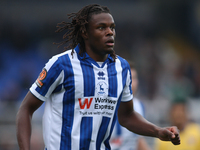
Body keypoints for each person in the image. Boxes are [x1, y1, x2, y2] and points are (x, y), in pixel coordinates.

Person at [16, 4, 180, 150]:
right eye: (101, 27)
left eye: (112, 27)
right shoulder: (61, 64)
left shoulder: (121, 68)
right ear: (85, 32)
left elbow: (127, 116)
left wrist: (158, 131)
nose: (110, 32)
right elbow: (26, 109)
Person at [110, 61, 151, 150]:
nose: (131, 83)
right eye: (127, 78)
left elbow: (138, 140)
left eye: (134, 78)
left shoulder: (140, 106)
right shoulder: (104, 105)